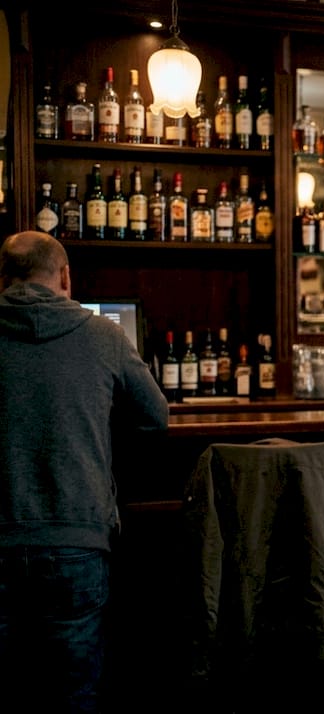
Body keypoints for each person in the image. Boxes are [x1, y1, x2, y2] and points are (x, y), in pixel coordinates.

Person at [0, 230, 169, 710]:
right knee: (73, 695)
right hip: (76, 539)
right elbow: (155, 419)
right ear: (66, 278)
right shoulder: (105, 335)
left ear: (2, 280)